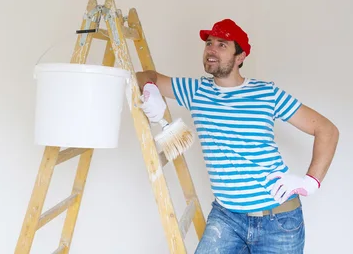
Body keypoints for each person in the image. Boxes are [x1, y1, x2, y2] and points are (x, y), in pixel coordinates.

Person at [136, 18, 339, 254]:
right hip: (227, 217)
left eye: (222, 45)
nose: (211, 49)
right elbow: (144, 75)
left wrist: (310, 182)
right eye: (209, 43)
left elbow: (326, 129)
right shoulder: (196, 90)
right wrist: (150, 88)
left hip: (279, 220)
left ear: (240, 57)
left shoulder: (266, 93)